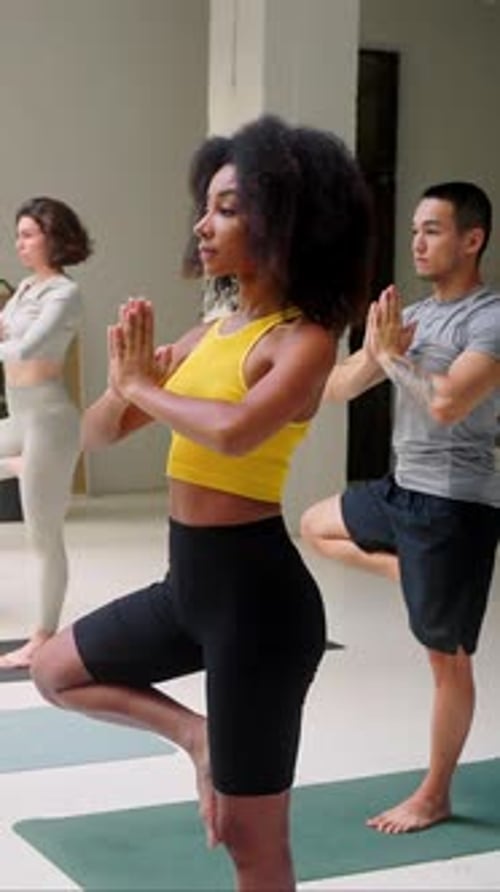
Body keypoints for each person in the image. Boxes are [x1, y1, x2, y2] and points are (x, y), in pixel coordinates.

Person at [31, 115, 373, 891]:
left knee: (250, 841)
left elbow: (236, 433)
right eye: (207, 205)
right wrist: (126, 387)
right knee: (55, 672)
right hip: (190, 586)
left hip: (259, 605)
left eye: (227, 207)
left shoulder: (305, 339)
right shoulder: (215, 329)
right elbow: (99, 433)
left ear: (286, 219)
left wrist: (150, 388)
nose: (203, 224)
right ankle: (197, 736)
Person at [301, 181, 500, 834]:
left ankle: (436, 794)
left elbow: (447, 403)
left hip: (453, 505)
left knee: (447, 663)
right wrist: (372, 353)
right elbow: (334, 390)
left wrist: (394, 358)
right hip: (399, 488)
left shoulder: (489, 317)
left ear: (472, 240)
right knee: (314, 525)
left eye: (434, 230)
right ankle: (411, 574)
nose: (417, 241)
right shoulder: (413, 314)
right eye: (415, 229)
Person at [0, 197, 92, 669]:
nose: (20, 243)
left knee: (43, 535)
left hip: (49, 420)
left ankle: (41, 636)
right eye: (18, 235)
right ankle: (19, 467)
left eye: (29, 234)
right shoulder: (26, 290)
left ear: (55, 238)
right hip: (18, 418)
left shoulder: (63, 293)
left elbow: (25, 346)